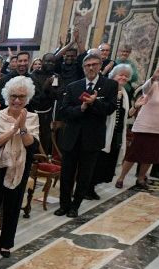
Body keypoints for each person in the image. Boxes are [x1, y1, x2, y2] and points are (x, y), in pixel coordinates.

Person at [0, 76, 40, 258]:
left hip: (20, 167)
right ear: (7, 97)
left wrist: (23, 126)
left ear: (27, 98)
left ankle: (6, 244)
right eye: (13, 96)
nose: (17, 100)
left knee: (13, 206)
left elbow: (32, 145)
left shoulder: (33, 118)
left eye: (21, 96)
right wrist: (13, 129)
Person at [55, 54, 116, 217]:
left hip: (92, 138)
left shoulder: (110, 85)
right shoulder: (73, 86)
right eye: (87, 65)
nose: (91, 68)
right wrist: (80, 108)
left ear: (100, 66)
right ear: (83, 68)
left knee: (84, 176)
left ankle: (75, 206)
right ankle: (64, 205)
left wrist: (94, 102)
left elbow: (110, 109)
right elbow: (64, 111)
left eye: (94, 64)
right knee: (66, 174)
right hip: (72, 137)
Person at [115, 63, 159, 189]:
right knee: (133, 154)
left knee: (150, 156)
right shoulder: (153, 85)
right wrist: (154, 77)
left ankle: (140, 178)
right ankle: (121, 177)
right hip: (143, 126)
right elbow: (144, 90)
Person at [91, 64, 132, 193]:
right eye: (121, 75)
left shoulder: (125, 93)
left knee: (108, 162)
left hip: (117, 132)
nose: (123, 78)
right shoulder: (107, 89)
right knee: (98, 160)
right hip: (104, 130)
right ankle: (89, 187)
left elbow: (125, 114)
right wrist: (115, 99)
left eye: (126, 76)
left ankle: (95, 186)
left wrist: (135, 106)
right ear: (113, 76)